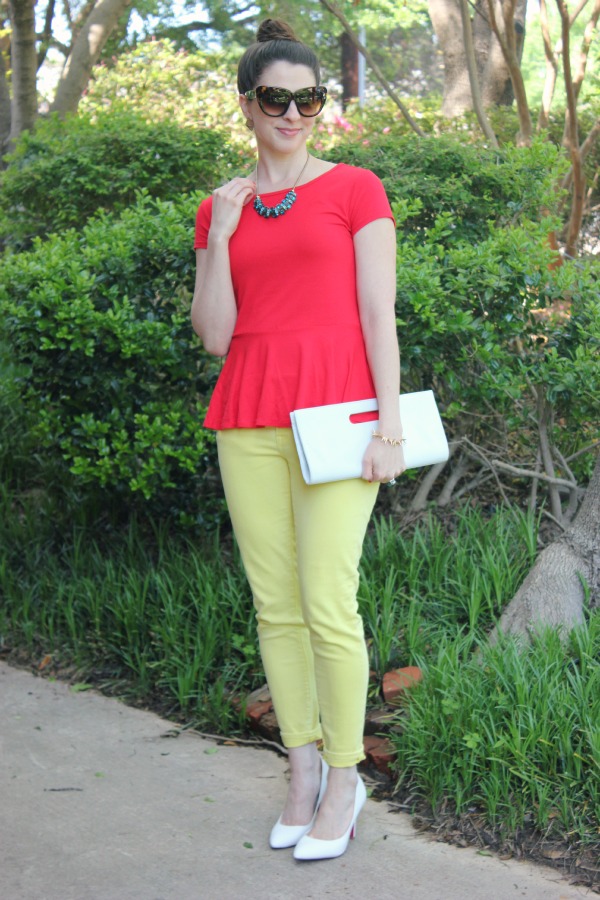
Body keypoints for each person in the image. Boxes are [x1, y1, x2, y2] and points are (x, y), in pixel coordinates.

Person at [191, 18, 405, 862]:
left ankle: (346, 779)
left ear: (321, 104)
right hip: (247, 417)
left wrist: (390, 427)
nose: (291, 114)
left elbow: (379, 316)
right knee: (275, 606)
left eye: (307, 99)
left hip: (339, 422)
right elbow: (216, 335)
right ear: (247, 105)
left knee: (327, 600)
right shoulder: (220, 206)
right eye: (275, 100)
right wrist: (221, 236)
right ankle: (302, 770)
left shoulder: (355, 188)